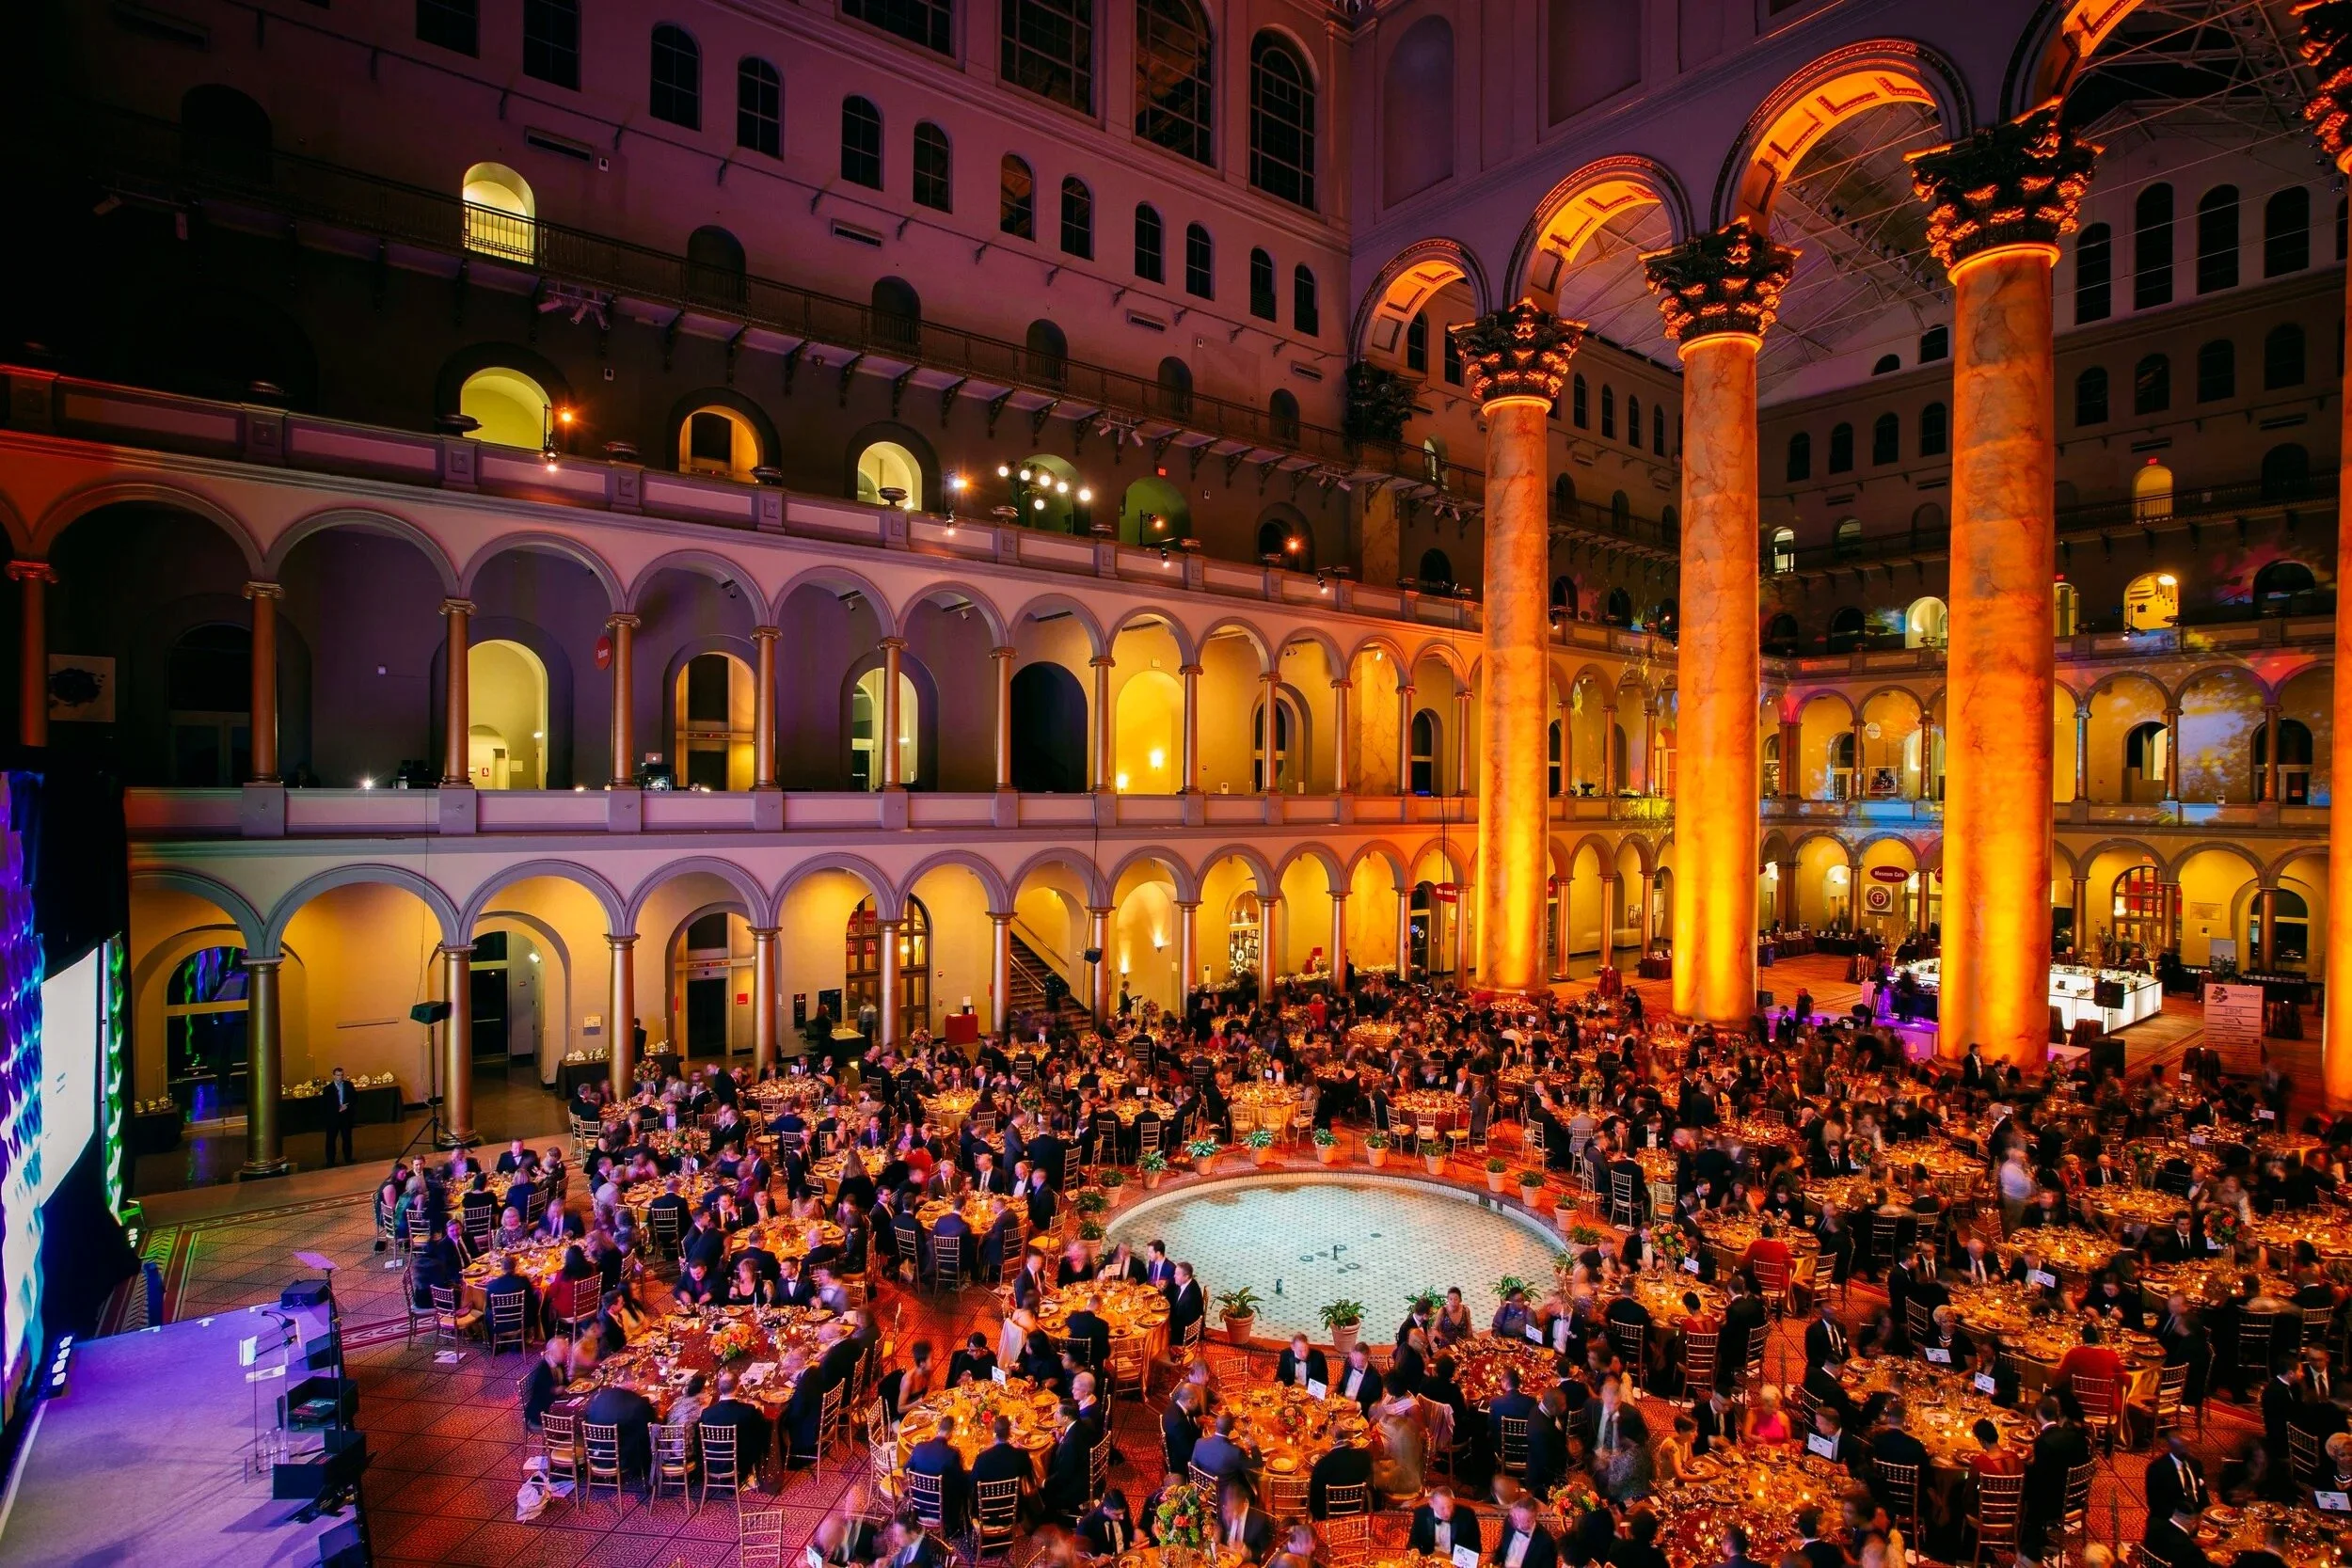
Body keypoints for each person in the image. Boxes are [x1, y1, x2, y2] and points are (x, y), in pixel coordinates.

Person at [702, 1369, 775, 1487]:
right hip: (741, 1460)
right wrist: (757, 1409)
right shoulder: (748, 1410)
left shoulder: (707, 1413)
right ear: (737, 1387)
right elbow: (762, 1429)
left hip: (713, 1460)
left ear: (720, 1388)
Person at [583, 1378, 659, 1491]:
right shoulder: (637, 1403)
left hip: (594, 1454)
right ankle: (645, 1472)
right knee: (644, 1437)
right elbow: (650, 1426)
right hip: (622, 1458)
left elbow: (588, 1417)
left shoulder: (600, 1398)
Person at [903, 1413, 970, 1530]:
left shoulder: (919, 1447)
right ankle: (958, 1526)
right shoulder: (952, 1454)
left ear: (938, 1429)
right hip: (941, 1509)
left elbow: (906, 1470)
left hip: (918, 1504)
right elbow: (962, 1483)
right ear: (951, 1433)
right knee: (963, 1489)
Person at [1409, 1487, 1481, 1559]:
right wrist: (1415, 1551)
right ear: (1431, 1504)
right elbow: (1413, 1542)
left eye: (1450, 1506)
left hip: (1456, 1562)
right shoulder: (1421, 1514)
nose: (1447, 1513)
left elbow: (1476, 1547)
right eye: (1442, 1508)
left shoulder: (1467, 1515)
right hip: (1429, 1561)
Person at [1216, 1480, 1275, 1562]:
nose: (1229, 1515)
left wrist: (1248, 1553)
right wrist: (1218, 1531)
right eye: (1227, 1510)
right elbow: (1220, 1525)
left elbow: (1267, 1554)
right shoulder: (1225, 1508)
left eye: (1233, 1510)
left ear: (1244, 1504)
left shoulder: (1259, 1521)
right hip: (1224, 1559)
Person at [522, 1334, 569, 1430]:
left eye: (565, 1350)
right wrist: (556, 1390)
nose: (566, 1354)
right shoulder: (542, 1370)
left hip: (555, 1406)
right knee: (571, 1424)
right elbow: (544, 1394)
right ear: (552, 1352)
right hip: (540, 1416)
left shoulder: (558, 1362)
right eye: (562, 1351)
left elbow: (565, 1383)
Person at [1496, 1497, 1559, 1568]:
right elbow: (1502, 1549)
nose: (1516, 1523)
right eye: (1515, 1517)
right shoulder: (1509, 1522)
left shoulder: (1547, 1542)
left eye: (1521, 1520)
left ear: (1531, 1520)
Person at [1190, 1411, 1249, 1485]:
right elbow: (1254, 1465)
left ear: (1216, 1425)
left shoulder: (1199, 1442)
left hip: (1205, 1488)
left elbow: (1194, 1469)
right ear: (1232, 1428)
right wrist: (1248, 1438)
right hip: (1228, 1493)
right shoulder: (1236, 1452)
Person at [1080, 1489, 1139, 1557]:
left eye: (1123, 1513)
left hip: (1125, 1556)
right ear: (1106, 1510)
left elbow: (1128, 1529)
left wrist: (1134, 1534)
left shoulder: (1122, 1510)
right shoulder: (1088, 1523)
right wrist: (1095, 1559)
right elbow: (1082, 1553)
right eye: (1117, 1514)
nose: (1122, 1517)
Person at [1162, 1384, 1202, 1476]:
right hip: (1181, 1463)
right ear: (1190, 1401)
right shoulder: (1179, 1423)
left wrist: (1195, 1421)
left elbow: (1185, 1427)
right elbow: (1188, 1452)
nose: (1199, 1403)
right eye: (1198, 1401)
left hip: (1179, 1446)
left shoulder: (1175, 1404)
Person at [325, 1066, 358, 1166]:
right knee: (331, 1139)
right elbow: (326, 1104)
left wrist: (347, 1107)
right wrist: (337, 1108)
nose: (340, 1077)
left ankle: (348, 1158)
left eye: (342, 1075)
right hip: (333, 1118)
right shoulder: (328, 1089)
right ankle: (330, 1161)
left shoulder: (348, 1085)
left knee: (347, 1138)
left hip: (345, 1117)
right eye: (338, 1075)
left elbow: (355, 1099)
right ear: (334, 1076)